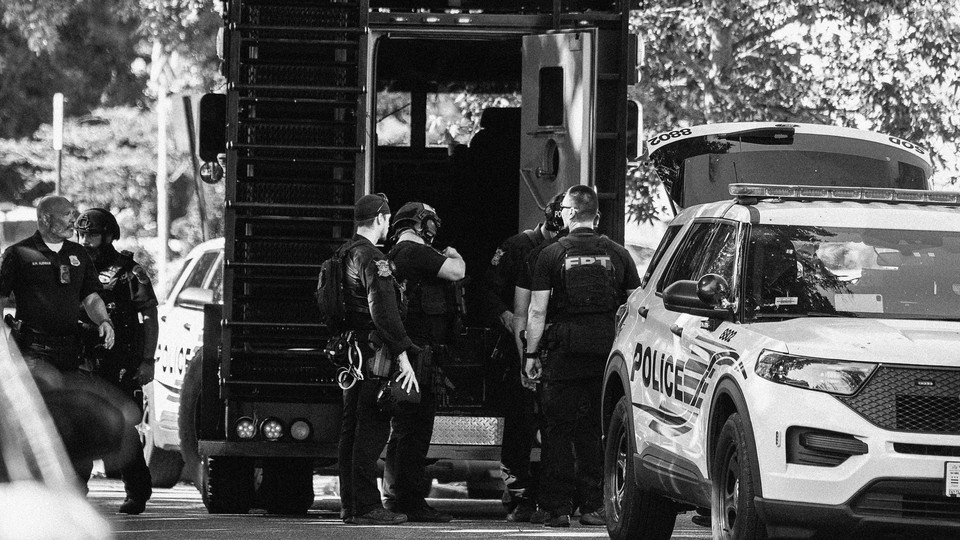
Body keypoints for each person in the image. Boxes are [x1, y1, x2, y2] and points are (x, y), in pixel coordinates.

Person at [0, 196, 137, 501]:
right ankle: (31, 485)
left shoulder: (78, 255)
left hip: (71, 352)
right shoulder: (18, 254)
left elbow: (90, 297)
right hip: (33, 351)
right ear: (46, 219)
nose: (73, 221)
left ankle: (74, 490)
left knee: (72, 417)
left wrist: (104, 321)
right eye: (67, 215)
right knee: (38, 418)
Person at [523, 185, 640, 528]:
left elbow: (536, 311)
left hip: (564, 354)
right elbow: (634, 306)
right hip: (606, 355)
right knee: (596, 430)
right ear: (597, 216)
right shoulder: (619, 254)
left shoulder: (551, 254)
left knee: (557, 430)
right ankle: (593, 506)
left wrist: (530, 353)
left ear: (570, 214)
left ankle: (555, 508)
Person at [480, 192, 564, 522]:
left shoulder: (565, 249)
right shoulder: (517, 247)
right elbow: (488, 290)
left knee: (552, 422)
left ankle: (542, 492)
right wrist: (506, 318)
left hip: (551, 345)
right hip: (517, 344)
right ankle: (516, 489)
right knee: (521, 421)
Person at [336, 193, 419, 526]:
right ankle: (367, 507)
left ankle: (351, 505)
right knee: (370, 429)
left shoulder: (341, 255)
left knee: (350, 430)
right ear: (382, 219)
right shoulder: (373, 258)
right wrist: (403, 354)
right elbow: (382, 310)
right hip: (372, 356)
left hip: (349, 353)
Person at [384, 202, 464, 523]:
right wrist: (456, 254)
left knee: (405, 427)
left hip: (413, 352)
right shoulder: (414, 250)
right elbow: (456, 271)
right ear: (422, 224)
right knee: (414, 429)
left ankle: (398, 496)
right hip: (419, 355)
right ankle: (408, 500)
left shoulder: (399, 253)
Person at [75, 208, 158, 514]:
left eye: (92, 234)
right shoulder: (73, 265)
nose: (85, 240)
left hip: (118, 359)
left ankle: (137, 491)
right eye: (81, 234)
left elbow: (149, 315)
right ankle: (73, 491)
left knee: (121, 425)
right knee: (77, 423)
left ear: (108, 235)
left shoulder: (128, 271)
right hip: (80, 357)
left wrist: (148, 360)